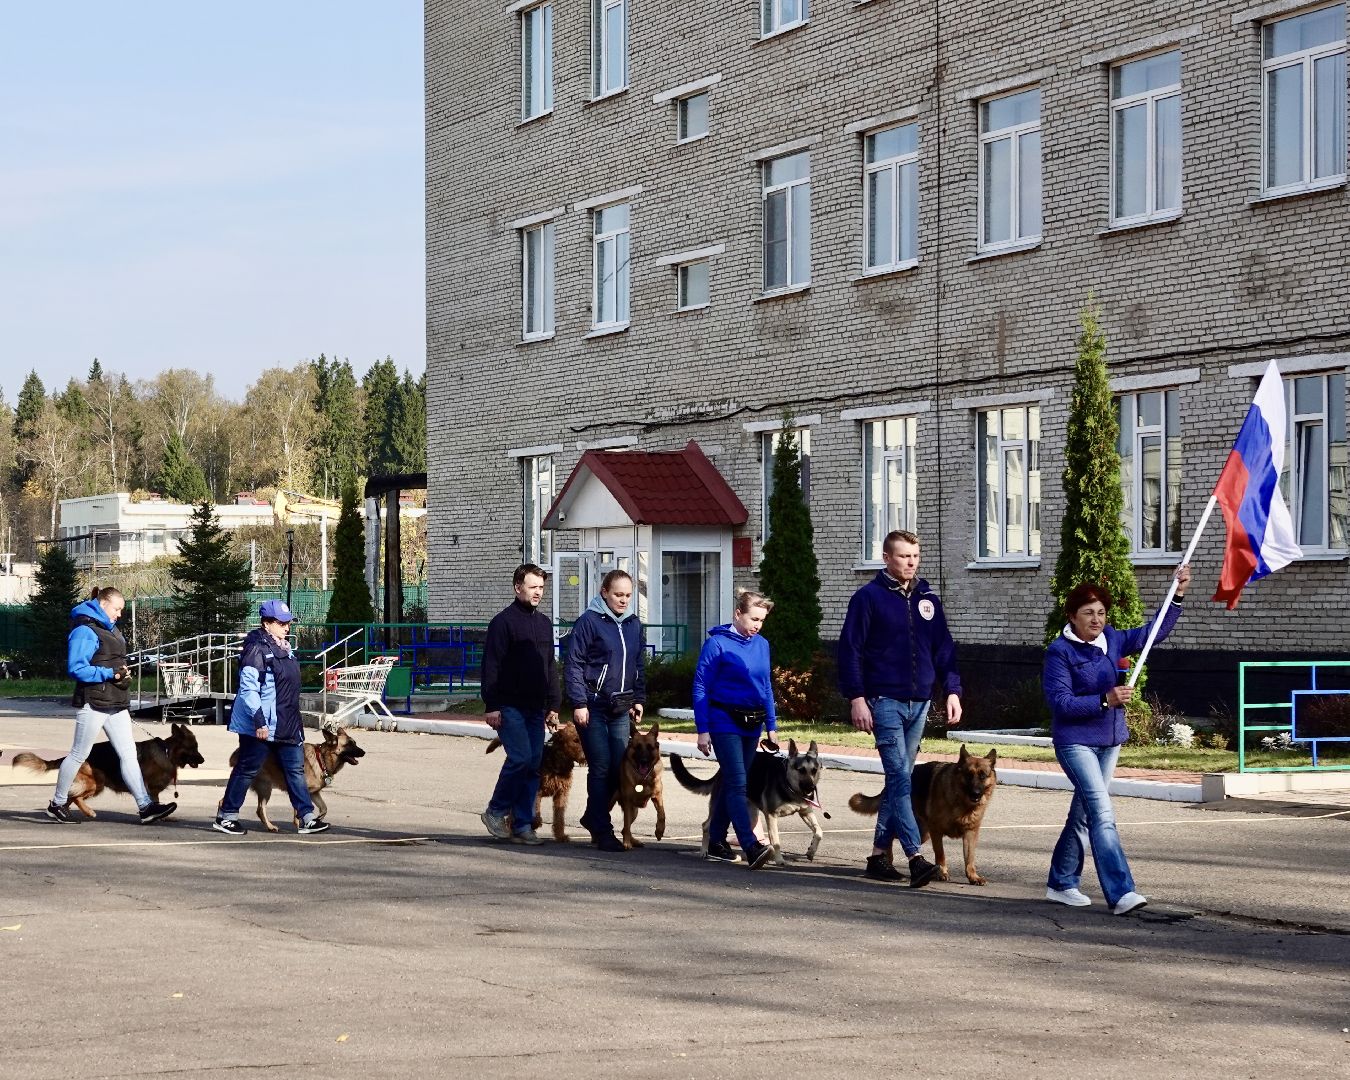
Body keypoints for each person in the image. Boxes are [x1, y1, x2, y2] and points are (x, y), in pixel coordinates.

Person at [1043, 564, 1191, 915]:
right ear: (1072, 616)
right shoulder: (1059, 652)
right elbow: (1059, 703)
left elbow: (1153, 633)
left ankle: (1061, 882)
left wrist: (1178, 593)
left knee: (1082, 815)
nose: (1096, 619)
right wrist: (1103, 700)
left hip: (1110, 740)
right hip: (1075, 742)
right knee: (1102, 814)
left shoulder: (1113, 638)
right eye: (1088, 613)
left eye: (1101, 612)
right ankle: (1122, 892)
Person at [837, 529, 961, 888]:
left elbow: (944, 650)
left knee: (898, 781)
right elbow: (850, 651)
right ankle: (914, 856)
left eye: (915, 556)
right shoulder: (868, 598)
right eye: (904, 556)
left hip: (919, 703)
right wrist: (856, 697)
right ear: (887, 558)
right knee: (900, 778)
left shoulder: (928, 601)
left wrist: (952, 691)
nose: (911, 562)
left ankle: (878, 855)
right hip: (883, 702)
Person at [47, 586, 177, 824]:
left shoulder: (112, 629)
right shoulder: (84, 630)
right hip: (94, 702)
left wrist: (122, 675)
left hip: (115, 702)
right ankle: (57, 803)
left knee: (128, 754)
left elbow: (115, 663)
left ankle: (146, 806)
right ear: (103, 603)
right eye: (117, 609)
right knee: (79, 754)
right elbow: (76, 668)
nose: (119, 614)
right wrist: (110, 674)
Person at [213, 600, 330, 836]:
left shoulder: (286, 650)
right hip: (261, 726)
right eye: (281, 623)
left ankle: (307, 818)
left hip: (287, 723)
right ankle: (227, 816)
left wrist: (296, 724)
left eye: (289, 623)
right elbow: (248, 690)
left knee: (295, 771)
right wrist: (259, 721)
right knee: (247, 769)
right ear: (267, 623)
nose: (287, 627)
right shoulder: (255, 649)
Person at [691, 589, 778, 871]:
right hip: (724, 720)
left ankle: (716, 840)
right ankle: (751, 845)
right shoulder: (716, 644)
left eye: (762, 620)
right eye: (753, 618)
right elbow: (701, 686)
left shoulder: (762, 644)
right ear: (737, 614)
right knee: (738, 782)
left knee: (732, 783)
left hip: (752, 723)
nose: (757, 625)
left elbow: (765, 686)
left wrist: (771, 726)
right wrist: (703, 729)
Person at [564, 569, 647, 853]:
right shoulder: (589, 622)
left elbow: (638, 663)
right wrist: (579, 703)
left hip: (621, 707)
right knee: (600, 767)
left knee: (617, 767)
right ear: (604, 593)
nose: (623, 600)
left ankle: (591, 816)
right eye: (618, 595)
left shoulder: (634, 623)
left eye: (627, 595)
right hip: (594, 705)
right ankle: (602, 828)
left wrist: (639, 698)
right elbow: (574, 663)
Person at [480, 563, 561, 845]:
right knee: (520, 758)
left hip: (535, 707)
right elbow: (491, 665)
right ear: (518, 588)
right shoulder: (502, 623)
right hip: (509, 704)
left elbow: (549, 665)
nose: (538, 592)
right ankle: (496, 810)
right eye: (533, 587)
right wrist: (492, 705)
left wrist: (553, 703)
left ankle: (523, 824)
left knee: (533, 764)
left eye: (541, 588)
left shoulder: (543, 623)